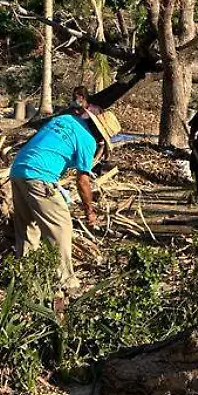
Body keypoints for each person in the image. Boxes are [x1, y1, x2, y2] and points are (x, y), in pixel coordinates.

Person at [10, 104, 120, 290]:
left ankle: (25, 278)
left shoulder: (64, 120)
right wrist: (89, 211)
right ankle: (66, 281)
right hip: (40, 176)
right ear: (101, 134)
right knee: (61, 227)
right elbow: (83, 181)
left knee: (27, 227)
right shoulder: (88, 141)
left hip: (18, 170)